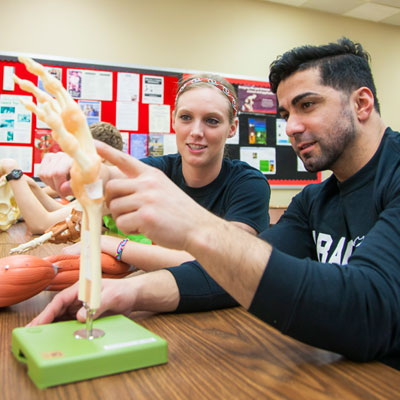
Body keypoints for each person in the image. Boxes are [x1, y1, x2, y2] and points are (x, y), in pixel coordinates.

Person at [29, 38, 400, 370]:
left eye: (307, 105)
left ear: (361, 103)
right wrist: (127, 293)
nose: (290, 128)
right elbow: (235, 273)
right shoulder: (314, 200)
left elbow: (369, 313)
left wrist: (195, 226)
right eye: (287, 114)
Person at [60, 74, 271, 271]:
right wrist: (80, 167)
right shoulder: (157, 169)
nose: (196, 132)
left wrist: (111, 244)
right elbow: (112, 176)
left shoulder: (248, 184)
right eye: (186, 117)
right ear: (173, 120)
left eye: (212, 121)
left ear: (232, 128)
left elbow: (225, 260)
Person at [0, 122, 123, 234]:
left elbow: (42, 225)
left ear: (99, 154)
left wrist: (11, 168)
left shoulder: (113, 188)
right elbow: (65, 211)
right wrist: (33, 186)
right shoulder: (103, 186)